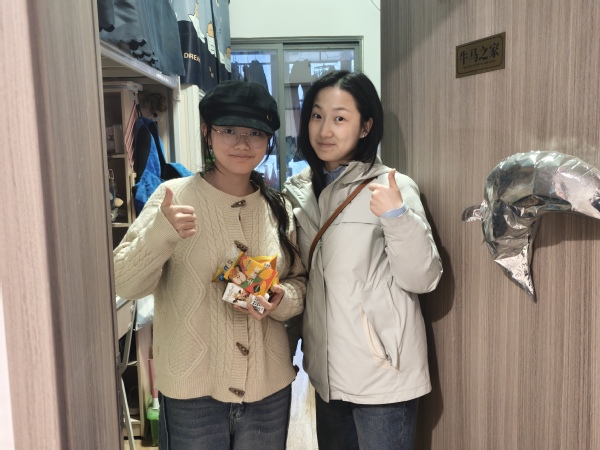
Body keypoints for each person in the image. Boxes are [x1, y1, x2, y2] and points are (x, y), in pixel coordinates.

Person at [114, 80, 306, 450]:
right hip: (193, 394)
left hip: (268, 390)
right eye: (229, 130)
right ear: (207, 131)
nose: (242, 143)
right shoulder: (173, 197)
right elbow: (124, 282)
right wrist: (161, 234)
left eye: (255, 133)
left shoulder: (278, 207)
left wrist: (281, 299)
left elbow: (300, 283)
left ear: (268, 140)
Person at [283, 70, 443, 450]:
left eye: (340, 118)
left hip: (382, 376)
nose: (325, 130)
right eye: (317, 115)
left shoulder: (391, 187)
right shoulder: (299, 193)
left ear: (366, 126)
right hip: (326, 376)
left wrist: (396, 216)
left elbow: (423, 278)